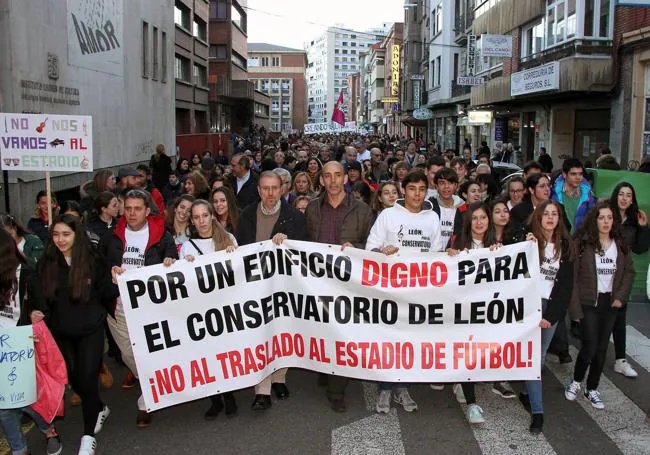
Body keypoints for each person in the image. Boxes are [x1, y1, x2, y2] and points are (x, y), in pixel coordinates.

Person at [100, 189, 178, 428]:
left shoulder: (162, 235)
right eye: (128, 208)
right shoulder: (111, 237)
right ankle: (154, 385)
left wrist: (170, 262)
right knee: (128, 354)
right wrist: (110, 272)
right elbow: (98, 267)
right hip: (119, 306)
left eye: (137, 209)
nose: (132, 213)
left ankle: (146, 401)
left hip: (150, 307)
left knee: (150, 351)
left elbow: (174, 261)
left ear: (147, 211)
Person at [366, 171, 441, 414]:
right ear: (403, 190)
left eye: (422, 189)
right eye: (412, 189)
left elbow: (436, 254)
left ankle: (403, 387)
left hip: (418, 290)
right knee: (388, 339)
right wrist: (380, 250)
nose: (417, 194)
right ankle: (386, 388)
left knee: (409, 340)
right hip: (389, 288)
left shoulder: (432, 218)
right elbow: (369, 249)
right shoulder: (388, 215)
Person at [37, 215, 113, 454]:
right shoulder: (46, 262)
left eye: (66, 234)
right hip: (61, 331)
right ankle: (99, 407)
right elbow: (39, 295)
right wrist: (37, 313)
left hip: (91, 328)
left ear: (77, 235)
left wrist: (115, 276)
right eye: (56, 234)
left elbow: (106, 289)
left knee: (88, 377)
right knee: (75, 379)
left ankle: (88, 435)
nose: (61, 240)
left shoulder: (91, 258)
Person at [236, 171, 307, 410]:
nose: (270, 193)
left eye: (274, 188)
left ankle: (279, 377)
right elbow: (240, 251)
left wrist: (288, 243)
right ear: (258, 190)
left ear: (282, 189)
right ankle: (262, 389)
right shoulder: (246, 216)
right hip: (255, 286)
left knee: (282, 332)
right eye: (265, 188)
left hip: (283, 288)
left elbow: (302, 253)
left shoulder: (295, 217)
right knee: (260, 334)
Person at [305, 161, 373, 413]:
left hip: (348, 285)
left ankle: (337, 390)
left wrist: (359, 252)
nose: (332, 181)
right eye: (327, 176)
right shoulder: (312, 209)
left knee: (341, 334)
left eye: (337, 175)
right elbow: (304, 243)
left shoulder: (363, 210)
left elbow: (371, 246)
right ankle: (325, 368)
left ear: (345, 178)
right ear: (321, 180)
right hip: (317, 282)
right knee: (322, 331)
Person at [0, 228, 64, 455]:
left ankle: (49, 430)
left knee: (28, 398)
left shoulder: (26, 274)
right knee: (5, 405)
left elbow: (42, 306)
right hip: (2, 346)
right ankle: (19, 449)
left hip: (23, 344)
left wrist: (35, 315)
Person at [565, 202, 635, 410]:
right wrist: (575, 309)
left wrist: (621, 296)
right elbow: (573, 278)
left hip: (610, 302)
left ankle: (592, 388)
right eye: (601, 217)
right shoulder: (582, 243)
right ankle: (577, 381)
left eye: (609, 218)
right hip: (588, 301)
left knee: (602, 348)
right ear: (594, 220)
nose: (605, 222)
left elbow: (629, 272)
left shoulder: (620, 244)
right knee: (590, 345)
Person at [517, 200, 575, 434]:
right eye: (546, 214)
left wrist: (550, 316)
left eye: (555, 214)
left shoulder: (567, 247)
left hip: (551, 309)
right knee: (534, 360)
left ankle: (526, 393)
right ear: (538, 218)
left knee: (537, 358)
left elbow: (565, 288)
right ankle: (538, 412)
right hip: (529, 307)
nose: (550, 217)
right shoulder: (529, 242)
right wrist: (525, 244)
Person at [178, 200, 239, 421]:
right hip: (200, 310)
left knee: (224, 353)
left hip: (224, 307)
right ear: (192, 221)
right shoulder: (186, 247)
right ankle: (215, 399)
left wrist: (234, 256)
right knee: (206, 355)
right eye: (197, 217)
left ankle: (230, 395)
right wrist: (184, 264)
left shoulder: (228, 239)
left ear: (212, 216)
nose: (202, 221)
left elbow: (240, 274)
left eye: (205, 215)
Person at [446, 202, 496, 424]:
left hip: (487, 311)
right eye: (474, 218)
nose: (479, 222)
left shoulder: (499, 246)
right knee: (468, 354)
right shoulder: (458, 244)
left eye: (483, 218)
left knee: (477, 356)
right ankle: (472, 404)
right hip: (463, 311)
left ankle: (461, 381)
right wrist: (449, 255)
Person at [608, 182, 650, 378]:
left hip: (623, 275)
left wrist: (643, 227)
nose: (624, 198)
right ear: (616, 196)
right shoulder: (606, 215)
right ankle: (591, 355)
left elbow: (641, 249)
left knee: (619, 318)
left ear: (632, 200)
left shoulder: (634, 221)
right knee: (598, 318)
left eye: (628, 195)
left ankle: (620, 360)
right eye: (621, 194)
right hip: (603, 272)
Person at [552, 158, 596, 234]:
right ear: (564, 174)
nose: (578, 177)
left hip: (580, 241)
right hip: (559, 240)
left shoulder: (589, 197)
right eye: (573, 174)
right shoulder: (554, 194)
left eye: (580, 174)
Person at [429, 168, 466, 251]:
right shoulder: (428, 207)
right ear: (436, 186)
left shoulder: (463, 208)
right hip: (431, 255)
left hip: (454, 256)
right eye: (442, 183)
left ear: (456, 186)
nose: (446, 187)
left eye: (450, 183)